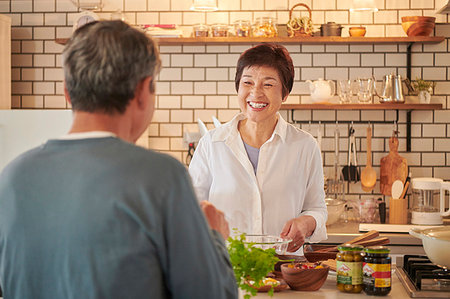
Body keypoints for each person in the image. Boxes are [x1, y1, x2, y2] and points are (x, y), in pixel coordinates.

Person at [0, 20, 237, 299]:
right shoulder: (161, 176)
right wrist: (213, 238)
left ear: (67, 91)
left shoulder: (13, 176)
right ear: (142, 91)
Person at [189, 43, 327, 253]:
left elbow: (317, 209)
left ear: (285, 93)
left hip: (283, 270)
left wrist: (307, 223)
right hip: (226, 270)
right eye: (248, 82)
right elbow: (190, 209)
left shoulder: (304, 146)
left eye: (268, 84)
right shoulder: (211, 144)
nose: (255, 93)